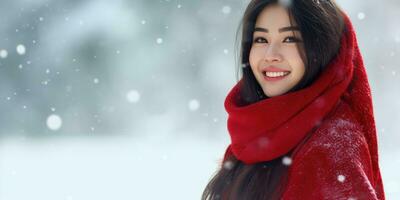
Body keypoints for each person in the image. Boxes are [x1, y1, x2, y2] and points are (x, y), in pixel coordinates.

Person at [201, 0, 385, 199]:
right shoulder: (255, 133)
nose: (271, 55)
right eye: (261, 39)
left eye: (290, 39)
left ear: (321, 48)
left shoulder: (333, 146)